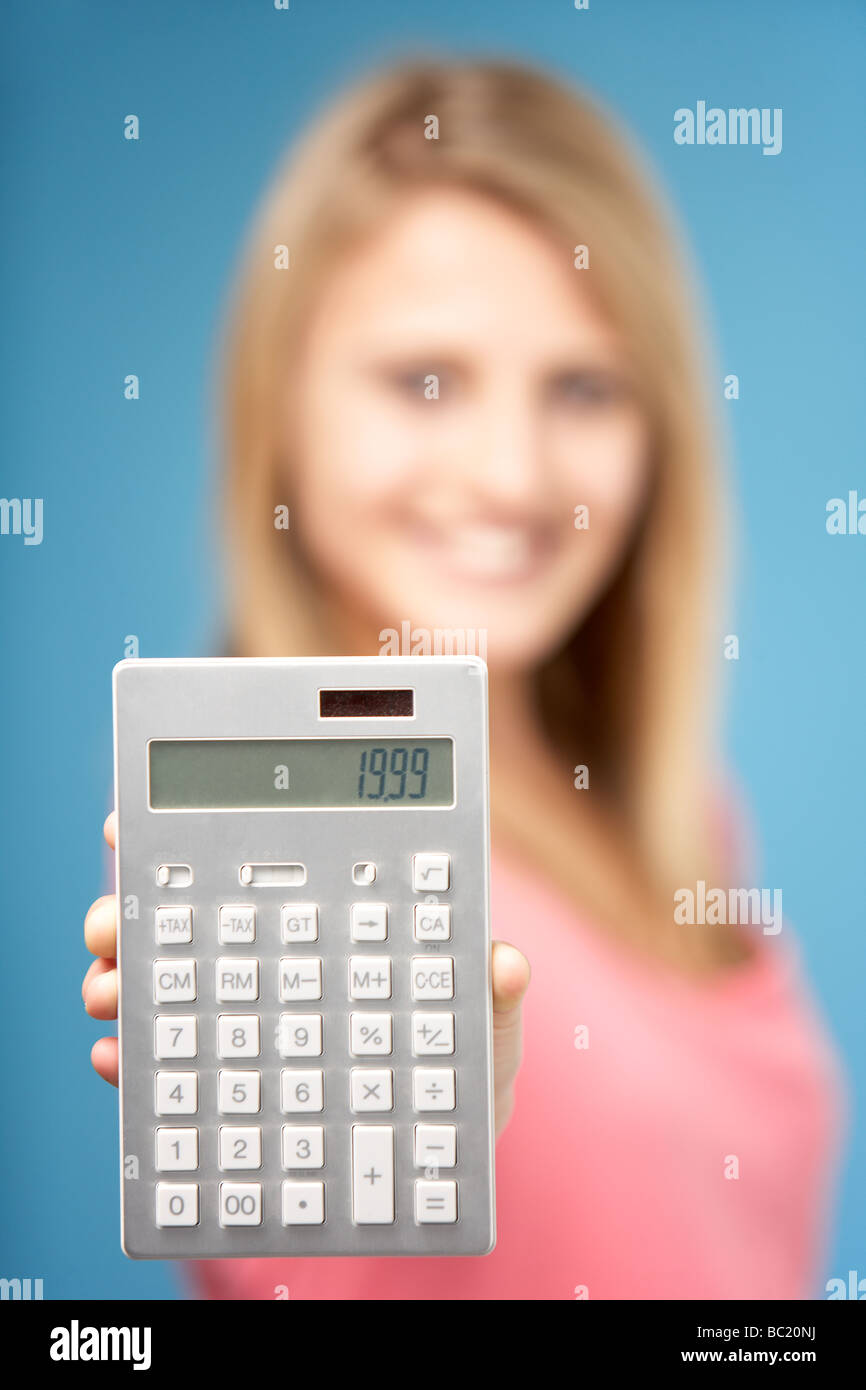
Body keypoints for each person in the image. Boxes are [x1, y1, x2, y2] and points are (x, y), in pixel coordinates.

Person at [82, 59, 845, 1299]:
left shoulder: (681, 812)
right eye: (423, 381)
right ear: (282, 406)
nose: (510, 474)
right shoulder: (260, 820)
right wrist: (402, 1114)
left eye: (583, 388)